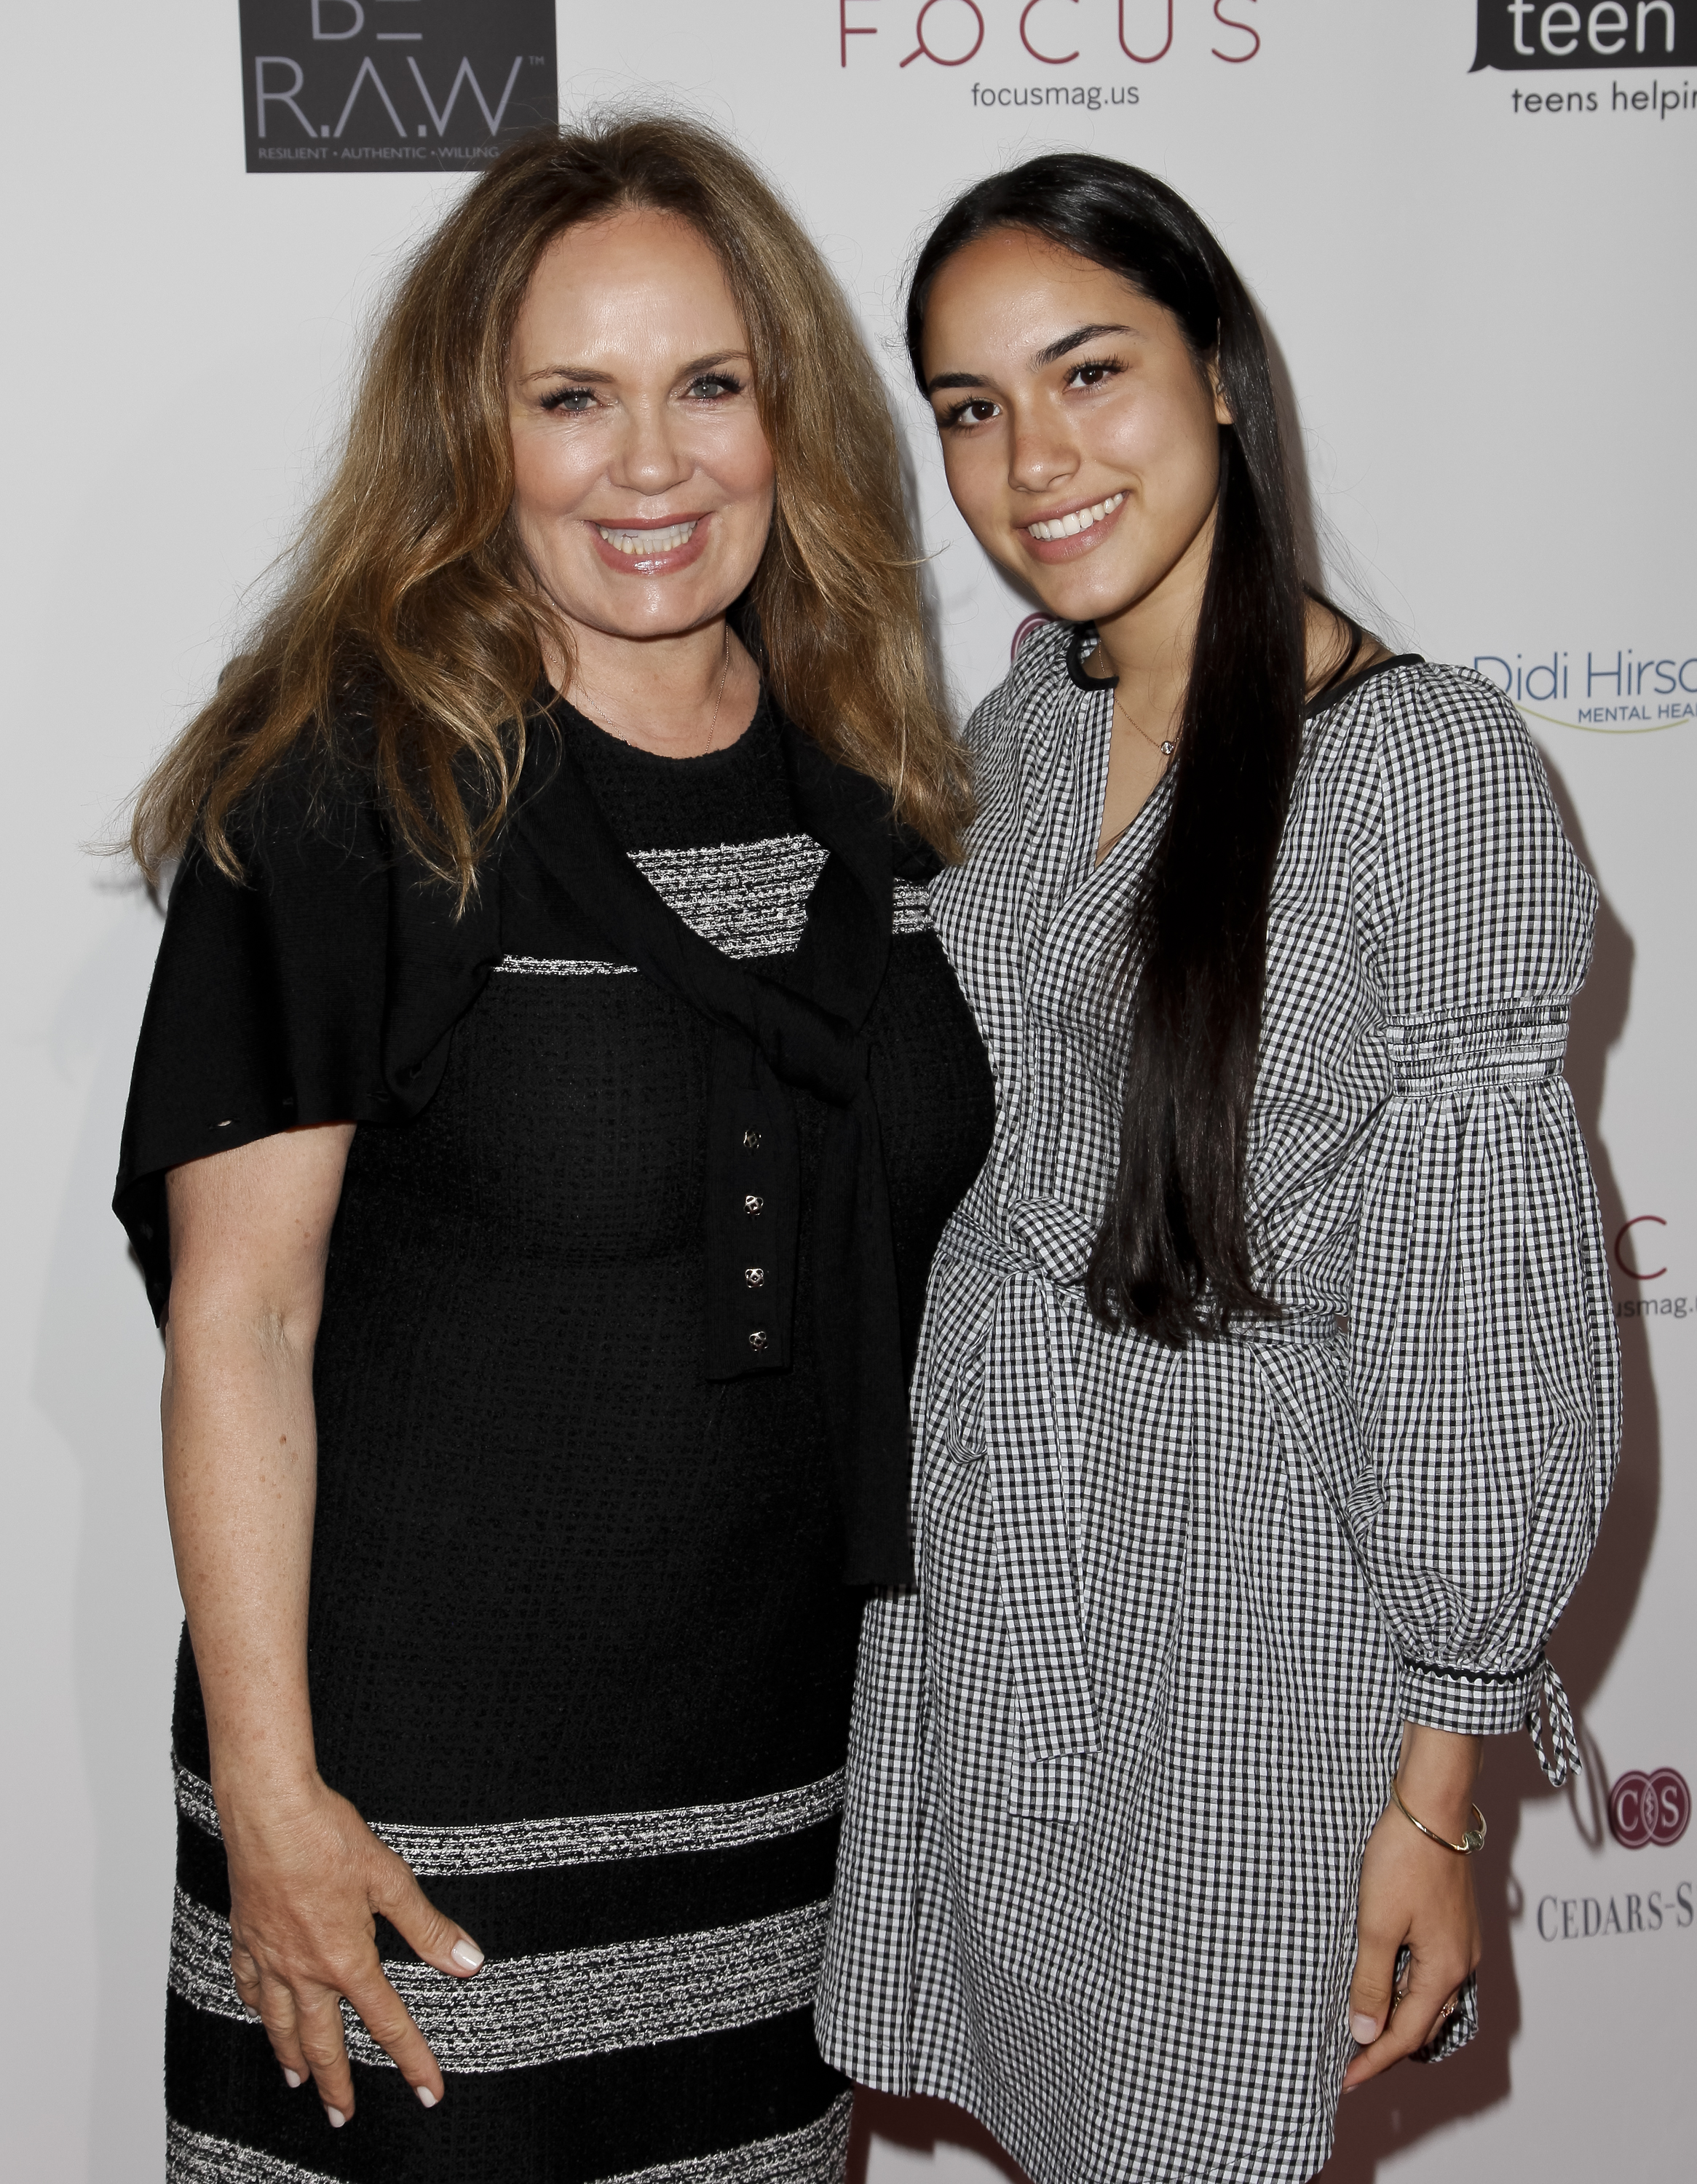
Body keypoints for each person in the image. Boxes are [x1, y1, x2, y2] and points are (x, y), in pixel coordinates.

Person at [116, 117, 994, 2184]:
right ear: (471, 434)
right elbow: (239, 1322)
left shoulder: (891, 802)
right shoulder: (350, 792)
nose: (652, 463)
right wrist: (275, 1802)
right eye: (571, 399)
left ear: (789, 410)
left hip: (781, 1806)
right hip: (405, 1826)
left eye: (709, 384)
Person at [816, 154, 1619, 2183]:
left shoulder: (1420, 775)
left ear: (1225, 376)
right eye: (971, 409)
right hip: (994, 1615)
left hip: (1246, 1653)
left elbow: (1478, 1320)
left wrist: (1435, 1796)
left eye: (1088, 373)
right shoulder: (1010, 724)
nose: (1030, 459)